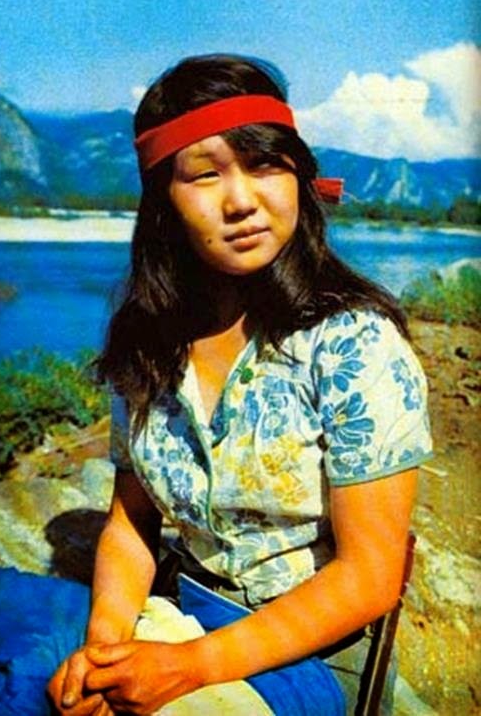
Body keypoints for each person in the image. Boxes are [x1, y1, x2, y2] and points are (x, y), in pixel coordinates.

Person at [47, 53, 432, 716]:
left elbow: (371, 577)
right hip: (184, 609)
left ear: (299, 178)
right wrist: (106, 649)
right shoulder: (150, 341)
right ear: (164, 201)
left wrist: (189, 666)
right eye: (205, 174)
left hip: (312, 652)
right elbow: (133, 522)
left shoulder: (352, 345)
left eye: (263, 165)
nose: (242, 201)